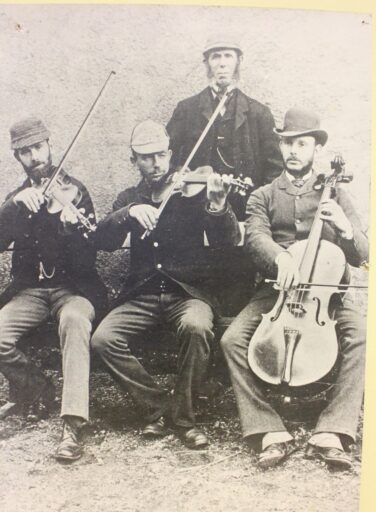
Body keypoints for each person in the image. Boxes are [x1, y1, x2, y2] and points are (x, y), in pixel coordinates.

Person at [220, 107, 368, 471]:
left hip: (327, 293)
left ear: (316, 148)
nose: (293, 151)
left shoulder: (336, 195)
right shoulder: (264, 195)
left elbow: (364, 253)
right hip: (278, 292)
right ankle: (267, 429)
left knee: (363, 335)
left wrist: (346, 230)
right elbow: (255, 236)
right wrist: (280, 259)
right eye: (287, 143)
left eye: (302, 143)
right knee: (231, 340)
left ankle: (332, 430)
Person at [92, 119, 240, 448]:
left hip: (187, 293)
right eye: (147, 157)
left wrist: (218, 205)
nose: (156, 163)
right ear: (134, 161)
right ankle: (158, 407)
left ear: (170, 154)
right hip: (142, 295)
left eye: (161, 155)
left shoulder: (192, 193)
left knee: (197, 327)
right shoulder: (128, 198)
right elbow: (103, 241)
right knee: (103, 339)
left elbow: (225, 242)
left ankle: (184, 418)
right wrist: (129, 212)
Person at [0, 117, 107, 462]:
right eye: (26, 151)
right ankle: (36, 388)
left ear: (49, 146)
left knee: (75, 322)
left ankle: (73, 423)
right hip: (29, 291)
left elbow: (89, 257)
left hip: (72, 289)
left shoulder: (75, 192)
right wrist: (13, 206)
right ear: (18, 157)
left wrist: (70, 230)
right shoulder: (18, 198)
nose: (35, 156)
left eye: (39, 147)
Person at [166, 34, 283, 221]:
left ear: (239, 61)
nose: (222, 63)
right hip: (194, 212)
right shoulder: (186, 109)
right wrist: (176, 174)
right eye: (215, 56)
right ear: (206, 63)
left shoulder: (259, 113)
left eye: (228, 56)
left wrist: (260, 206)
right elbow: (165, 156)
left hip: (244, 212)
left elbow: (275, 170)